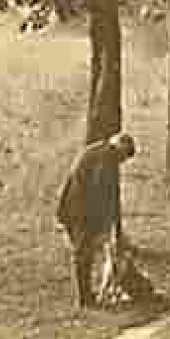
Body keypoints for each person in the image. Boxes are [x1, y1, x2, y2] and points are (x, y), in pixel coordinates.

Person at [56, 132, 152, 308]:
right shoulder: (106, 158)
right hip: (81, 213)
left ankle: (87, 295)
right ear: (121, 148)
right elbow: (103, 194)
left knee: (84, 254)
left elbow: (108, 195)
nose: (121, 163)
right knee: (83, 255)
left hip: (75, 209)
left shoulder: (99, 151)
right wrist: (108, 226)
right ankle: (84, 298)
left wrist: (115, 226)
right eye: (123, 158)